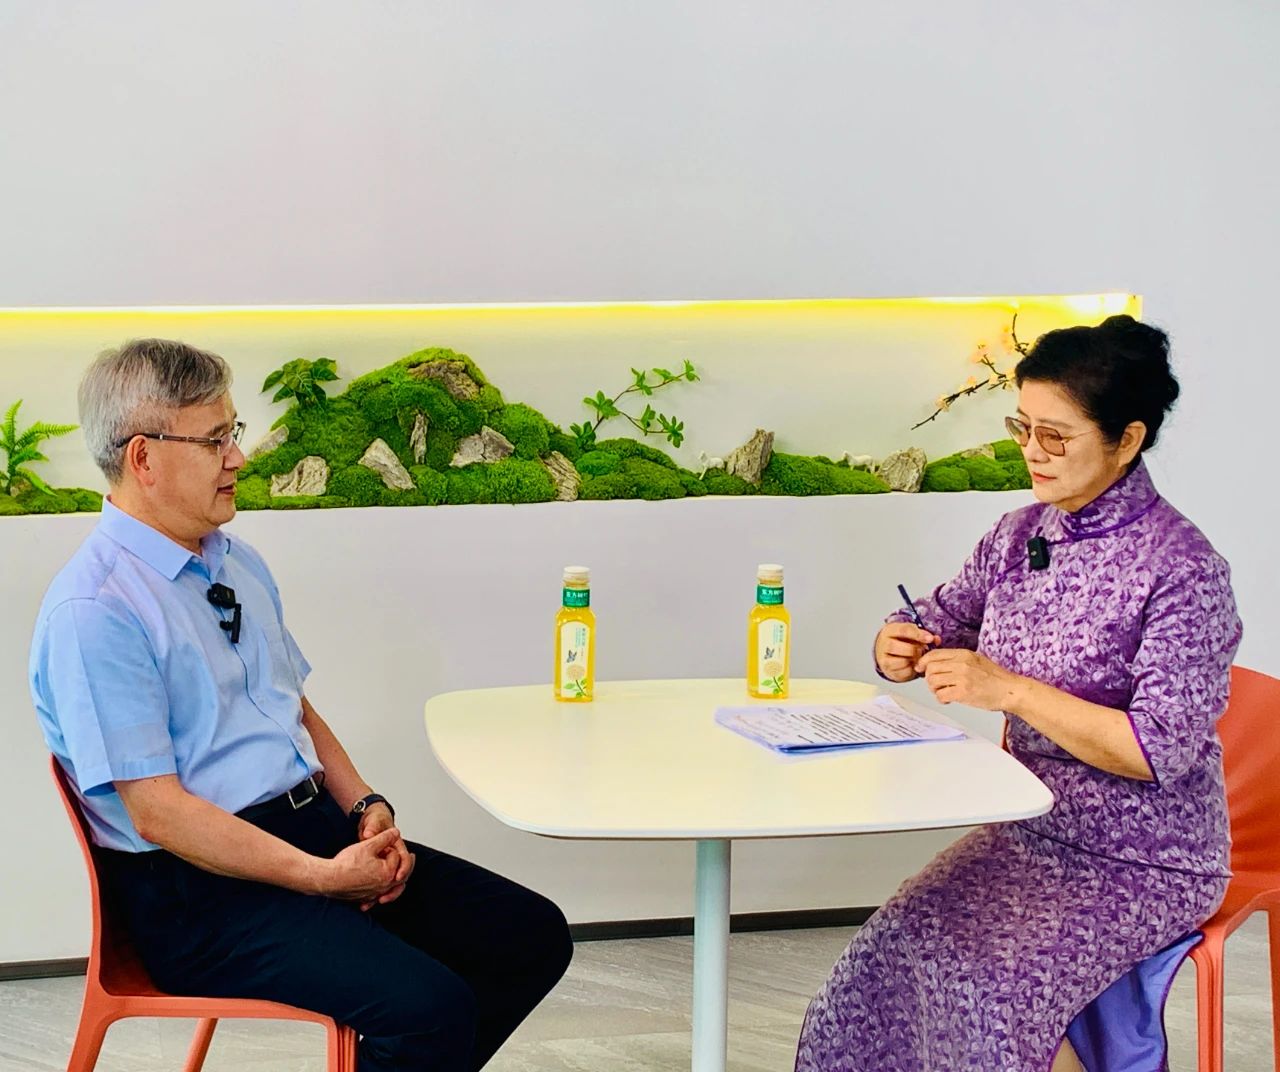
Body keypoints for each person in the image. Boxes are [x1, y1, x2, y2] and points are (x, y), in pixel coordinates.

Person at [30, 338, 572, 1072]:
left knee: (530, 937)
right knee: (430, 1010)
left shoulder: (236, 562)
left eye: (232, 432)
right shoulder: (96, 610)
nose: (237, 458)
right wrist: (322, 878)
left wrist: (365, 806)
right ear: (144, 458)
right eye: (214, 440)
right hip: (199, 895)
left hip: (311, 831)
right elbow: (157, 811)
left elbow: (296, 711)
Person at [795, 315, 1240, 1072]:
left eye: (1055, 436)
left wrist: (1010, 691)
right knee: (885, 953)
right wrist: (896, 644)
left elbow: (1155, 751)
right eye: (1022, 427)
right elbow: (937, 615)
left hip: (1145, 858)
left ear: (1127, 440)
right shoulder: (1017, 534)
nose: (1031, 450)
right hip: (1029, 829)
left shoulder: (1183, 570)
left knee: (988, 991)